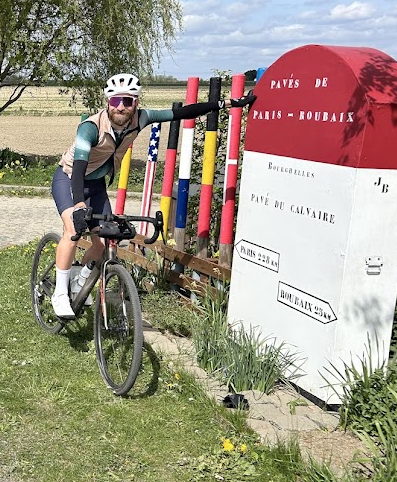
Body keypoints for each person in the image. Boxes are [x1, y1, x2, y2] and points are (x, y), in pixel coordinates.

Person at [50, 73, 256, 317]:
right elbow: (80, 167)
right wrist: (80, 205)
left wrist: (225, 104)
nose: (121, 107)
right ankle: (60, 294)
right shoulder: (90, 128)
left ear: (136, 102)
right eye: (115, 101)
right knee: (73, 231)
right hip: (69, 178)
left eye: (127, 101)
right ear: (107, 102)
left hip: (96, 185)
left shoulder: (142, 118)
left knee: (103, 241)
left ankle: (79, 278)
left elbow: (182, 113)